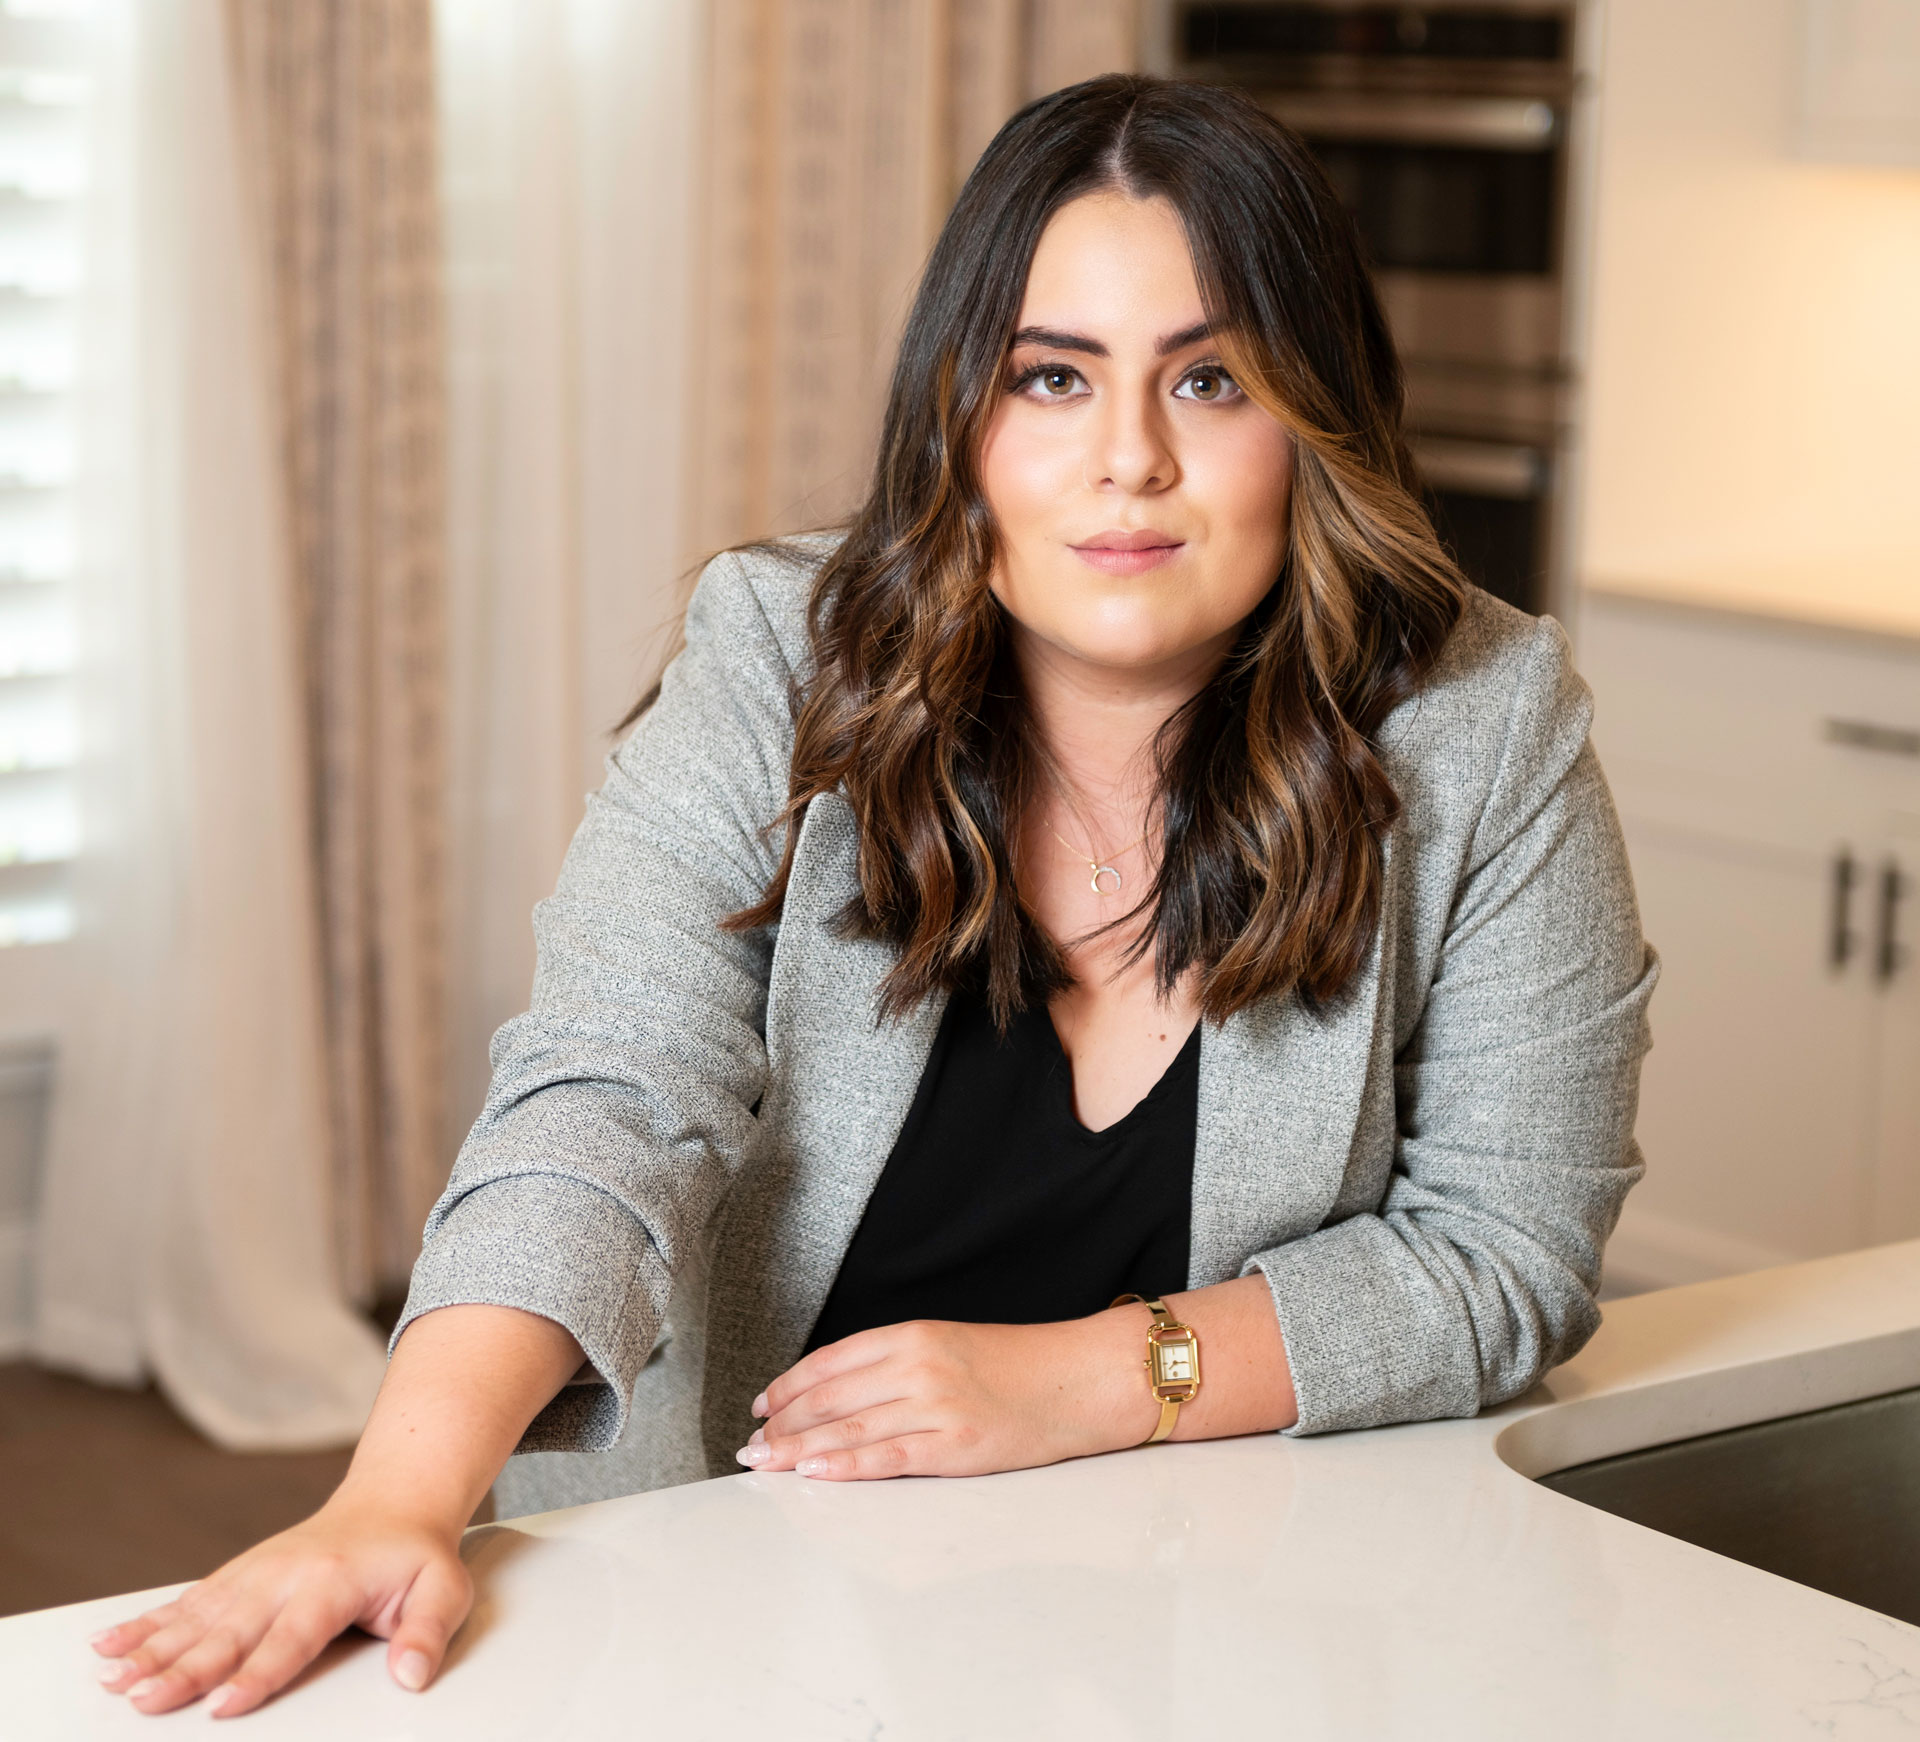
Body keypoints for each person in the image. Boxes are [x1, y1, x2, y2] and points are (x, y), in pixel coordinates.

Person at [92, 73, 1654, 1719]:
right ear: (958, 416)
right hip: (735, 1605)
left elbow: (1507, 1251)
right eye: (1052, 377)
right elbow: (607, 1093)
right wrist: (397, 1494)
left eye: (1210, 379)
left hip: (1228, 1611)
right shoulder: (779, 659)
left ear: (1315, 416)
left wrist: (1082, 1379)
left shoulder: (1486, 725)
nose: (1128, 460)